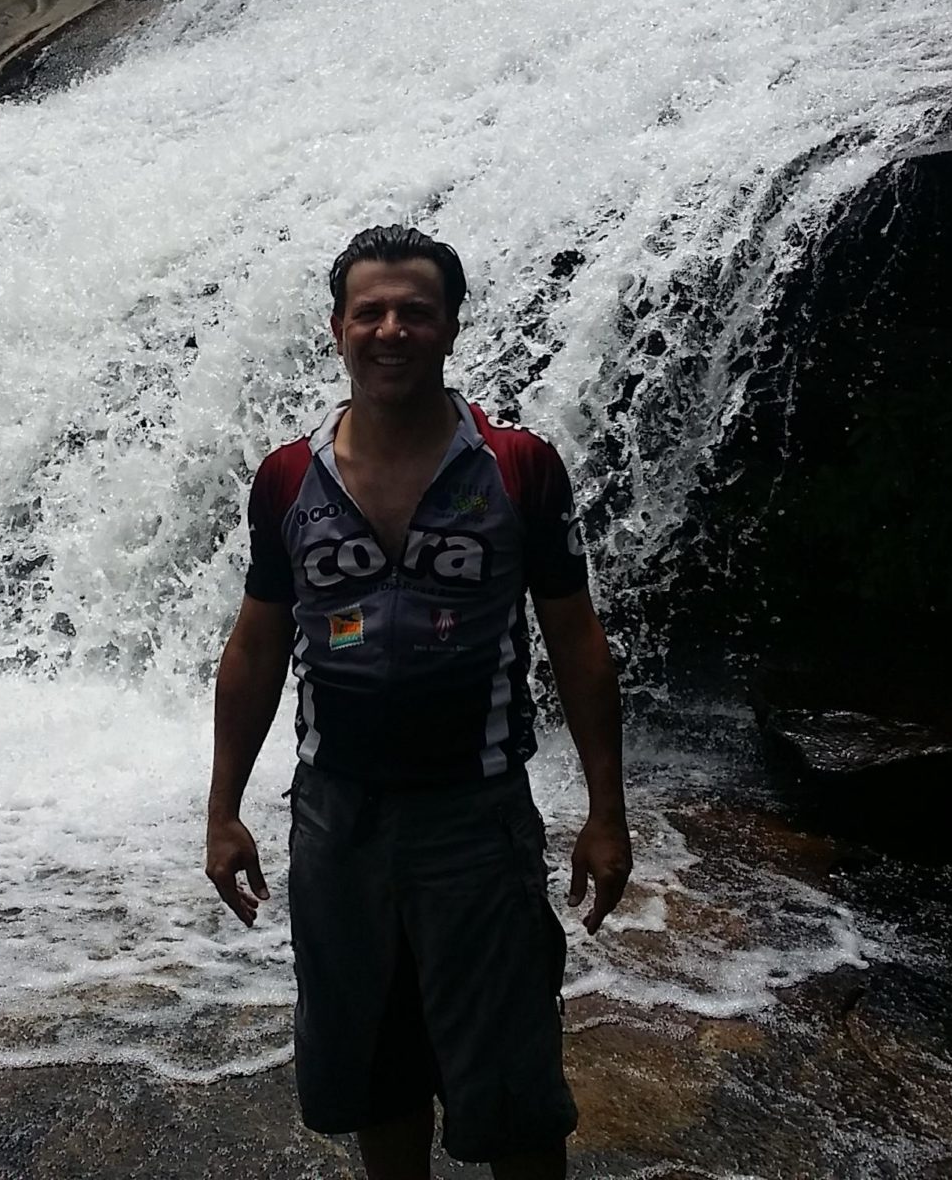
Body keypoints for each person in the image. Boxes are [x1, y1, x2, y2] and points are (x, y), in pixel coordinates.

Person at [204, 224, 632, 1180]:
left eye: (414, 313)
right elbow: (257, 645)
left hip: (475, 818)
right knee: (372, 1065)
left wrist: (608, 813)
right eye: (371, 312)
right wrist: (223, 808)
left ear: (449, 330)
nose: (390, 330)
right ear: (337, 328)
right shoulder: (287, 479)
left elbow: (577, 640)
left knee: (514, 1084)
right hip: (336, 816)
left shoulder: (518, 468)